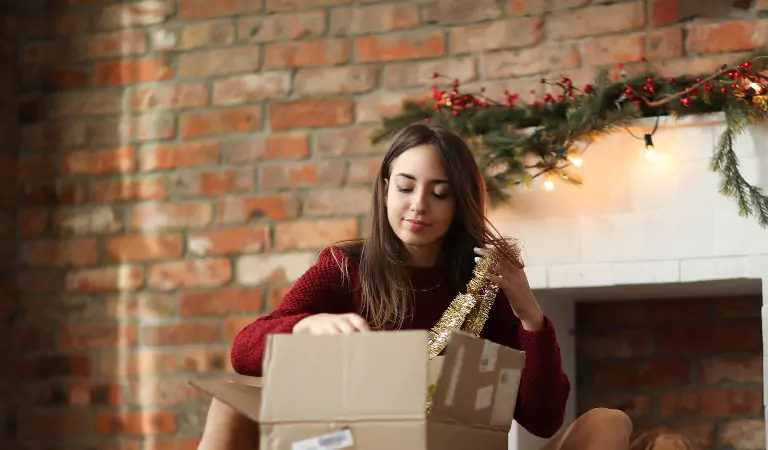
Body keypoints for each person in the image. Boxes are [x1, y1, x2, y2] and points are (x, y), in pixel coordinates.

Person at [199, 122, 632, 450]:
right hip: (360, 443)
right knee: (230, 406)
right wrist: (305, 327)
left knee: (609, 422)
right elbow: (244, 352)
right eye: (406, 187)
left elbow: (542, 419)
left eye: (440, 193)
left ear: (460, 203)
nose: (418, 206)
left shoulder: (484, 282)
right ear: (386, 190)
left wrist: (531, 318)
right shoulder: (345, 266)